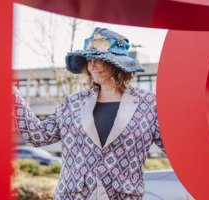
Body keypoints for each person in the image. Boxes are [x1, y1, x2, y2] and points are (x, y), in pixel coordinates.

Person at [12, 27, 166, 200]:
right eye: (89, 60)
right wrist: (13, 96)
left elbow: (174, 150)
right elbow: (37, 136)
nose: (92, 65)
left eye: (99, 60)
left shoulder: (148, 105)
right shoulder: (73, 104)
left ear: (117, 64)